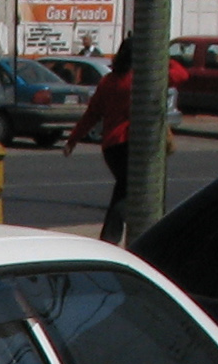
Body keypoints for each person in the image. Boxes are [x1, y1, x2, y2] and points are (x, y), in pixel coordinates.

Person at [62, 40, 189, 245]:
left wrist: (73, 139)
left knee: (125, 189)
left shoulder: (108, 81)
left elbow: (92, 114)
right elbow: (182, 74)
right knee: (132, 190)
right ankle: (115, 238)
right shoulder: (142, 80)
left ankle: (113, 237)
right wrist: (163, 58)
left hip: (111, 146)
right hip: (132, 142)